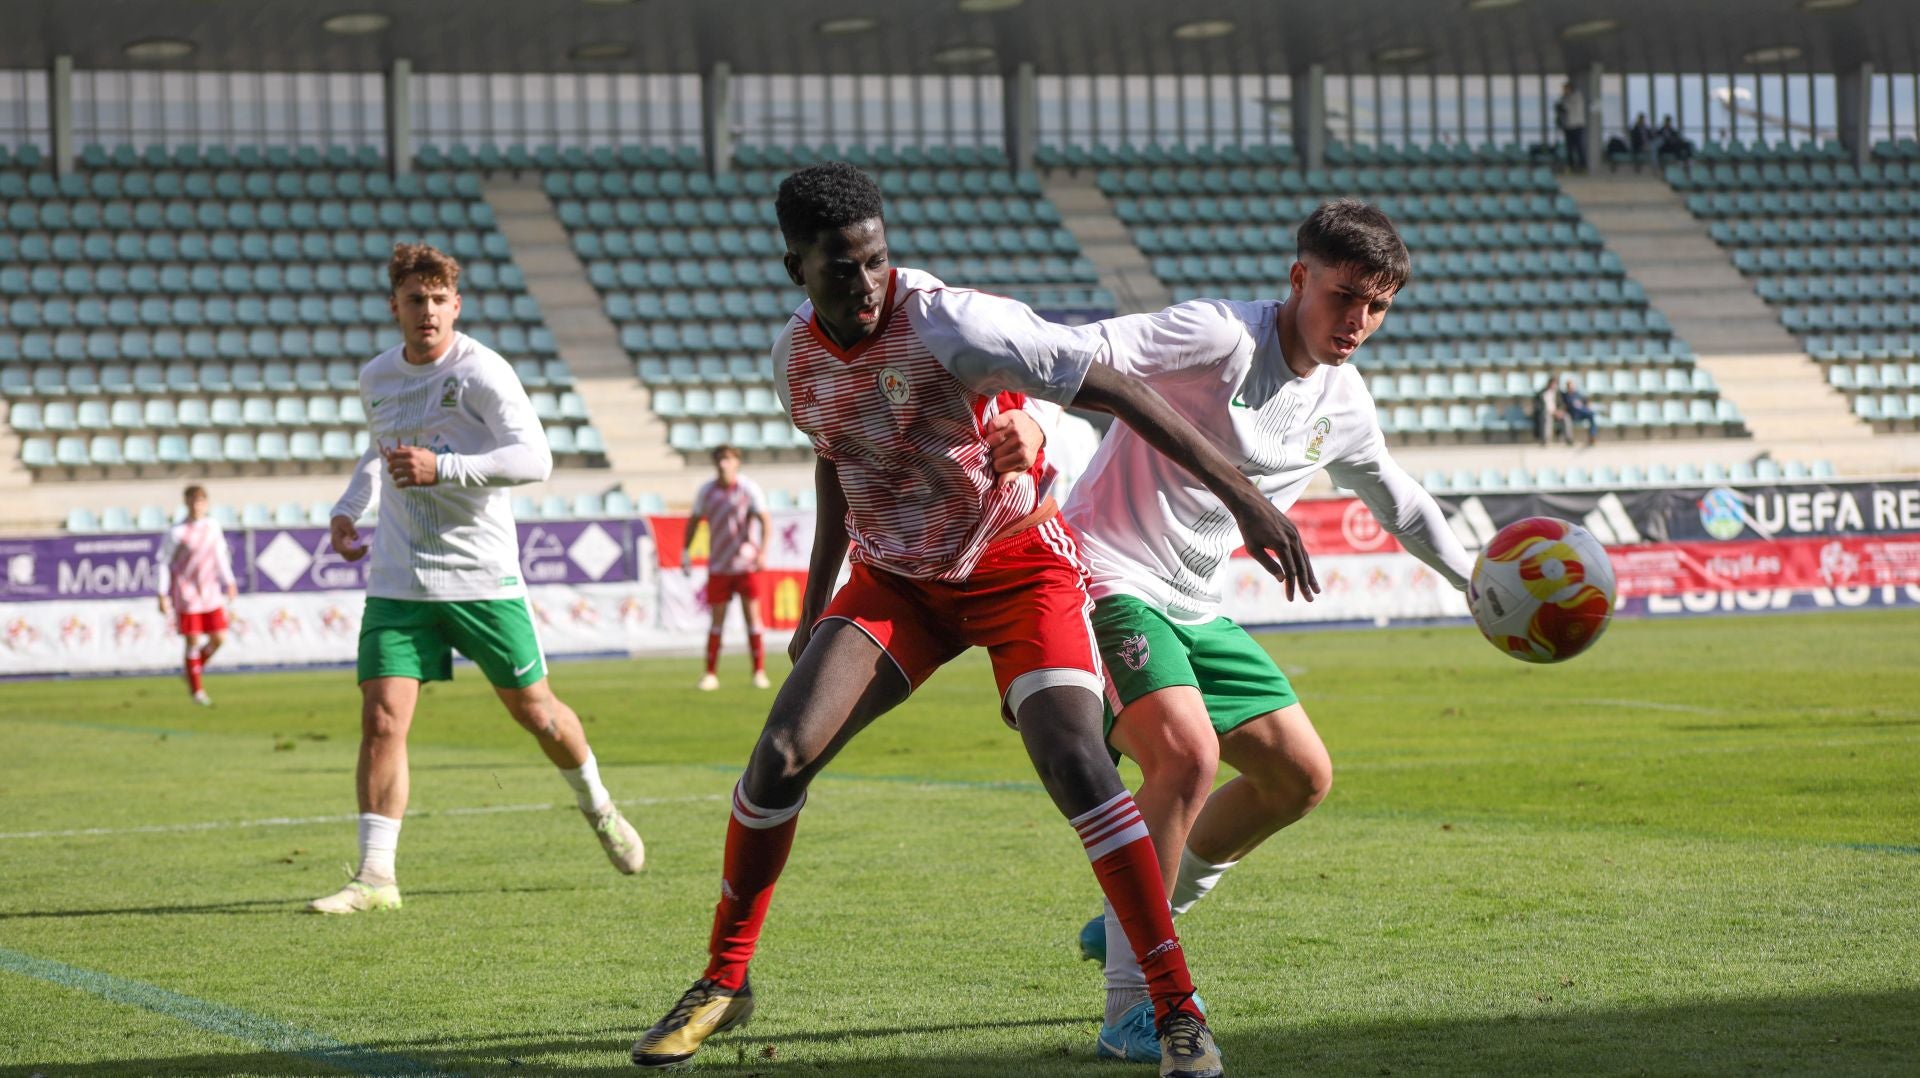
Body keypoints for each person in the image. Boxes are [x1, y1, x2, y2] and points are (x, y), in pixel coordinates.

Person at [627, 162, 1317, 1077]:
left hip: (1019, 569)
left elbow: (1116, 389)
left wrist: (1246, 502)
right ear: (797, 268)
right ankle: (723, 979)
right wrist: (822, 590)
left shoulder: (951, 320)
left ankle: (1175, 1009)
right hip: (898, 583)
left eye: (876, 260)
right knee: (780, 755)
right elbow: (841, 458)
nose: (867, 285)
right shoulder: (793, 359)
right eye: (842, 269)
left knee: (1076, 763)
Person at [1052, 200, 1477, 1062]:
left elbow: (1397, 497)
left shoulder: (1344, 402)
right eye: (1344, 295)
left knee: (1300, 778)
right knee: (1186, 759)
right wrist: (1016, 411)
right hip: (1102, 577)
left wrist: (1474, 585)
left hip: (1195, 606)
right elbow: (1080, 353)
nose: (1358, 322)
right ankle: (1133, 1002)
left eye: (1379, 306)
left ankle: (1142, 913)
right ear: (1298, 278)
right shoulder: (1215, 338)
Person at [307, 242, 645, 915]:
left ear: (455, 306)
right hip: (400, 579)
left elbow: (535, 458)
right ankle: (376, 876)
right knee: (381, 720)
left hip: (482, 578)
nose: (427, 311)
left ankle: (598, 803)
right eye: (414, 300)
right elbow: (382, 456)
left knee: (538, 714)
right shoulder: (377, 377)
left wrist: (447, 470)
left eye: (438, 300)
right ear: (395, 307)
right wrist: (349, 510)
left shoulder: (484, 371)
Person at [684, 444, 773, 691]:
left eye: (729, 458)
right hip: (720, 565)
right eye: (721, 458)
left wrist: (762, 552)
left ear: (737, 463)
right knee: (716, 622)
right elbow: (693, 521)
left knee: (753, 620)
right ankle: (710, 674)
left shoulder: (748, 488)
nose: (725, 463)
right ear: (715, 463)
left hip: (745, 564)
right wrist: (685, 551)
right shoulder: (707, 491)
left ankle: (759, 672)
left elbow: (765, 520)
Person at [155, 484, 238, 706]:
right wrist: (162, 594)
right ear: (186, 503)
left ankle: (192, 670)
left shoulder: (213, 526)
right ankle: (197, 690)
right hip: (187, 592)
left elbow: (220, 556)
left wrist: (229, 581)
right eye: (193, 501)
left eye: (200, 501)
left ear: (206, 504)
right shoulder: (177, 532)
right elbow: (163, 563)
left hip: (210, 590)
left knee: (219, 637)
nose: (196, 505)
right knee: (193, 640)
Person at [1556, 80, 1587, 172]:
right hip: (1568, 126)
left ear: (1570, 89)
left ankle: (1582, 166)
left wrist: (1561, 105)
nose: (1564, 91)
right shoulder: (1565, 98)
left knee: (1578, 146)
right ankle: (1571, 166)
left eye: (1566, 89)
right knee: (1569, 147)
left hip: (1577, 125)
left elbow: (1566, 108)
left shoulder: (1576, 96)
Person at [1561, 377, 1598, 445]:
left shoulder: (1577, 394)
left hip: (1581, 413)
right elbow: (1565, 406)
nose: (1571, 387)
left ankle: (1592, 436)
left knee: (1591, 415)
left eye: (1572, 386)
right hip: (1573, 414)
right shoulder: (1565, 395)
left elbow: (1585, 401)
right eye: (1570, 386)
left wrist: (1587, 404)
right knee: (1588, 412)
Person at [1535, 374, 1568, 446]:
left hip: (1556, 413)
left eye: (1555, 384)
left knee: (1566, 417)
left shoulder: (1558, 393)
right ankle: (1546, 440)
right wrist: (1550, 412)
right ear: (1548, 384)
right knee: (1547, 418)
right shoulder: (1541, 393)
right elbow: (1539, 407)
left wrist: (1560, 411)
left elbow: (1561, 404)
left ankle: (1568, 439)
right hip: (1546, 413)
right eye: (1552, 384)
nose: (1554, 386)